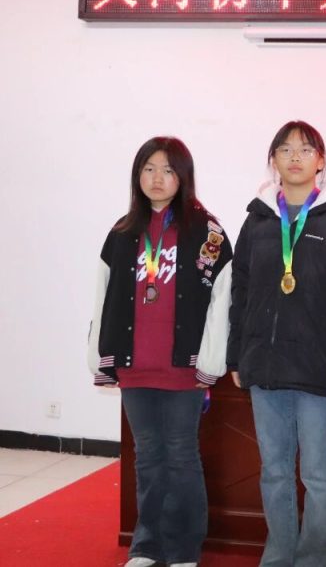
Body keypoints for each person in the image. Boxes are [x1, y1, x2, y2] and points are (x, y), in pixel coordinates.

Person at [227, 120, 326, 567]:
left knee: (319, 474)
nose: (295, 157)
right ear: (273, 160)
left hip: (320, 370)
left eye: (306, 149)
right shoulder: (257, 220)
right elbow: (241, 292)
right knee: (273, 472)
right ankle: (278, 556)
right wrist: (236, 355)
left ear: (320, 161)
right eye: (285, 149)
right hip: (265, 367)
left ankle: (317, 560)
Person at [88, 136, 232, 567]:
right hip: (135, 366)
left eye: (168, 170)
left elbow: (222, 301)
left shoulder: (207, 231)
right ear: (137, 175)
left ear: (183, 177)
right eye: (148, 169)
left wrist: (211, 360)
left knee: (181, 457)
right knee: (147, 458)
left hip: (182, 368)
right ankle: (146, 546)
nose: (157, 178)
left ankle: (184, 549)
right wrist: (101, 355)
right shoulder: (122, 232)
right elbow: (102, 298)